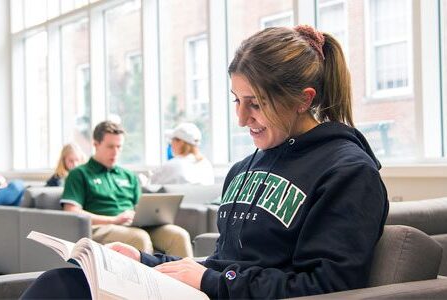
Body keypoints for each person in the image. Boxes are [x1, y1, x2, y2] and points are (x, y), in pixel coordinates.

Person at [21, 25, 389, 299]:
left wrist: (209, 281)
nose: (242, 119)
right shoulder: (246, 167)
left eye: (256, 103)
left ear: (303, 99)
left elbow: (327, 287)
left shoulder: (348, 172)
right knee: (64, 282)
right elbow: (224, 264)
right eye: (236, 100)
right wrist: (142, 261)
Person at [59, 121, 193, 257]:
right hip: (100, 227)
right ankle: (147, 279)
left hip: (133, 225)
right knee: (139, 238)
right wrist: (113, 220)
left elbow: (139, 207)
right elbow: (72, 211)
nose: (115, 152)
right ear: (96, 144)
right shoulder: (79, 174)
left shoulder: (128, 175)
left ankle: (185, 278)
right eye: (110, 147)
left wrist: (148, 218)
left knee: (178, 235)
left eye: (119, 147)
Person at [148, 122, 214, 185]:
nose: (171, 144)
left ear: (181, 142)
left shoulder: (173, 165)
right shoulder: (206, 165)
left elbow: (152, 186)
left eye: (172, 140)